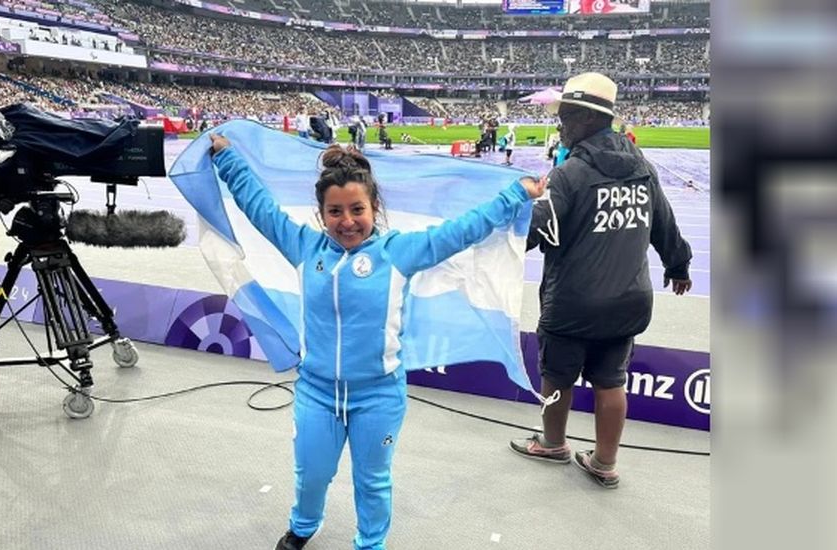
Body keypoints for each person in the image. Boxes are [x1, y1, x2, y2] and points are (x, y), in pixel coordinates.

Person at [207, 133, 546, 549]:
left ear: (374, 208)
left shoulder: (399, 252)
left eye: (356, 210)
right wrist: (226, 159)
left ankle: (370, 544)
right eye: (335, 211)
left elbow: (463, 230)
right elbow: (258, 207)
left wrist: (516, 193)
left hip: (378, 395)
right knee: (312, 472)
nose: (346, 221)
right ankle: (303, 526)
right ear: (321, 213)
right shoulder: (303, 245)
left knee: (372, 479)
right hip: (316, 392)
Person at [508, 72, 693, 489]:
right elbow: (663, 221)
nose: (561, 125)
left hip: (573, 304)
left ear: (589, 119)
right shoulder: (642, 166)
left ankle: (553, 443)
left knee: (557, 378)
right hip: (628, 301)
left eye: (567, 117)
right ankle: (605, 462)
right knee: (612, 381)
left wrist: (504, 223)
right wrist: (678, 265)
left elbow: (533, 233)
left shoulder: (568, 175)